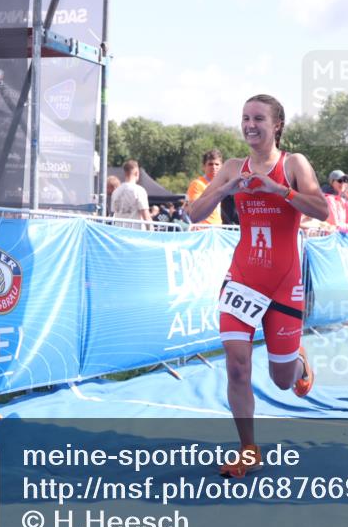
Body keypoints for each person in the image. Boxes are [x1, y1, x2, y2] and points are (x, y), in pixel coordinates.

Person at [185, 94, 329, 478]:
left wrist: (278, 190)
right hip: (244, 278)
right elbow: (193, 214)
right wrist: (222, 190)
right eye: (245, 118)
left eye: (259, 118)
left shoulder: (294, 163)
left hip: (284, 281)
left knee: (283, 382)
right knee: (236, 365)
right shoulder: (232, 166)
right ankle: (248, 449)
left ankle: (298, 362)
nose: (250, 124)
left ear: (277, 125)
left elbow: (322, 210)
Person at [187, 149, 224, 226]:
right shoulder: (197, 184)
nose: (214, 167)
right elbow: (194, 210)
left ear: (222, 166)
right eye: (210, 164)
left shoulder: (221, 184)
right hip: (203, 229)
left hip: (217, 229)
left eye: (217, 164)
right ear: (203, 167)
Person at [112, 160, 152, 230]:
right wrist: (152, 232)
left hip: (118, 232)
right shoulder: (139, 190)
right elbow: (146, 216)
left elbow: (114, 212)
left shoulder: (115, 192)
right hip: (135, 233)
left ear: (125, 173)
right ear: (137, 173)